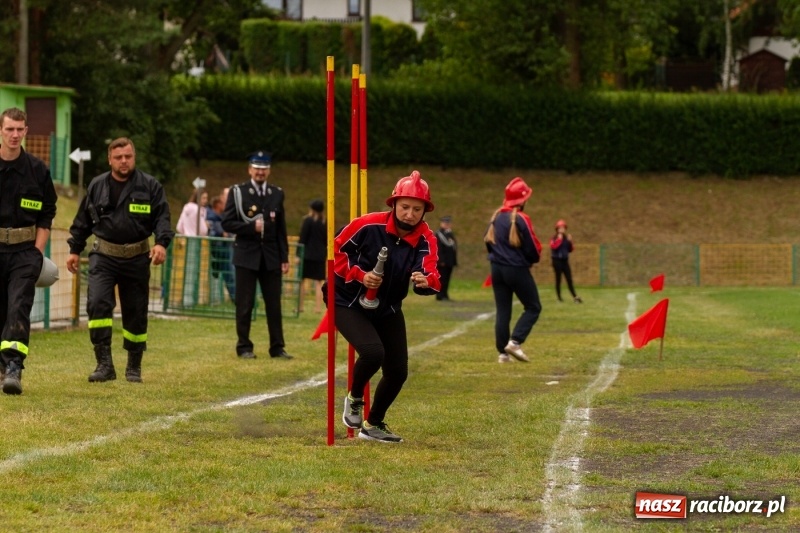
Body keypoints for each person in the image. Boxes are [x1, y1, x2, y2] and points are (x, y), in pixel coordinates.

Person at [334, 171, 441, 443]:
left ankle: (373, 424)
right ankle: (355, 397)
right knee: (372, 353)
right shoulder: (367, 225)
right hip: (345, 299)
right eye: (405, 207)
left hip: (387, 305)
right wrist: (360, 275)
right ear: (393, 204)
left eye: (417, 209)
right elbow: (335, 252)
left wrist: (423, 280)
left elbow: (431, 273)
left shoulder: (426, 238)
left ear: (424, 211)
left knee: (398, 370)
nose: (410, 214)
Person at [66, 137, 173, 383]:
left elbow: (163, 219)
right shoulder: (97, 185)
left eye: (128, 156)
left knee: (135, 311)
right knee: (97, 304)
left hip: (137, 258)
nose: (124, 161)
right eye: (118, 157)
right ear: (109, 159)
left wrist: (161, 243)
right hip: (103, 256)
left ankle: (133, 366)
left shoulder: (150, 186)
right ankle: (104, 365)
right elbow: (83, 220)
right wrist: (74, 249)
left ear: (134, 157)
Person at [0, 107, 58, 395]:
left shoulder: (38, 171)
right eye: (9, 129)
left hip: (25, 252)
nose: (14, 134)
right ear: (1, 130)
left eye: (19, 129)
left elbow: (47, 215)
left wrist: (38, 251)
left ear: (26, 131)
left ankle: (13, 367)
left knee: (18, 305)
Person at [221, 151, 293, 360]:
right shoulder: (238, 192)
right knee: (244, 303)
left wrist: (284, 256)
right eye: (257, 168)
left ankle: (277, 347)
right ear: (250, 170)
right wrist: (250, 227)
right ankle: (244, 346)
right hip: (246, 255)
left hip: (270, 256)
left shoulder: (276, 193)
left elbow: (281, 228)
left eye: (264, 169)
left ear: (269, 170)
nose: (260, 172)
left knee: (274, 304)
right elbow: (227, 222)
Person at [484, 177, 543, 364]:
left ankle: (502, 353)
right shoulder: (521, 218)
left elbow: (488, 241)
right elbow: (533, 247)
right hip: (515, 269)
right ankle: (515, 342)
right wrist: (532, 260)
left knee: (503, 311)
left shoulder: (496, 216)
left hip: (496, 269)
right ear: (523, 199)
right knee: (533, 307)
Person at [297, 199, 327, 313]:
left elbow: (302, 238)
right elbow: (326, 240)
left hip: (307, 255)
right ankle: (318, 308)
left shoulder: (308, 221)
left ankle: (300, 307)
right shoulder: (325, 222)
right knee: (319, 282)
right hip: (320, 255)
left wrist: (297, 255)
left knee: (302, 281)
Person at [206, 195, 235, 300]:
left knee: (231, 275)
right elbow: (217, 232)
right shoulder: (213, 218)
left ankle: (236, 298)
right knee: (230, 275)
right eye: (223, 203)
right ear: (218, 205)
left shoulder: (220, 217)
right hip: (220, 251)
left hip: (224, 250)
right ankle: (236, 299)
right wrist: (223, 233)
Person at [550, 219, 582, 303]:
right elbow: (553, 247)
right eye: (560, 228)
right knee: (558, 279)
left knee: (569, 279)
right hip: (556, 261)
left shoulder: (566, 238)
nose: (562, 230)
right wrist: (559, 240)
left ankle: (575, 297)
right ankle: (559, 298)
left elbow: (570, 249)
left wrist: (570, 242)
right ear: (557, 229)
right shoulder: (554, 238)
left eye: (563, 228)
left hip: (565, 261)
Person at [434, 215, 457, 301]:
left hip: (449, 261)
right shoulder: (439, 234)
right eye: (445, 223)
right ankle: (439, 295)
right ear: (441, 223)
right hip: (442, 262)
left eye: (448, 223)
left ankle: (445, 295)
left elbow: (453, 247)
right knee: (441, 279)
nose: (447, 224)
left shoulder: (450, 234)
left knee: (447, 279)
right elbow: (438, 248)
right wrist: (441, 260)